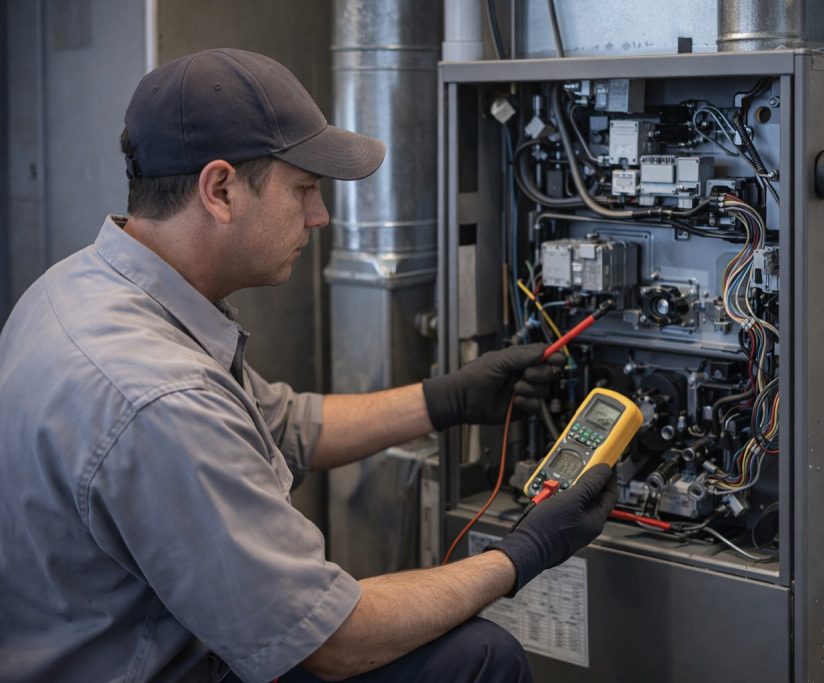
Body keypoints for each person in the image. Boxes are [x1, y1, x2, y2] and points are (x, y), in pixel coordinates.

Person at [0, 49, 617, 682]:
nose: (320, 216)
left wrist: (449, 399)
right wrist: (523, 553)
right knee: (480, 659)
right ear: (219, 190)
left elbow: (286, 424)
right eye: (305, 189)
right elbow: (335, 641)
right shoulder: (159, 396)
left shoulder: (81, 286)